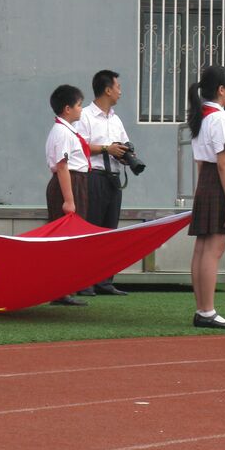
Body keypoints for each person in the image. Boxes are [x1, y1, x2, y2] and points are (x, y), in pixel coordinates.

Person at [186, 65, 225, 330]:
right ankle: (207, 311)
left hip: (206, 183)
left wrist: (203, 190)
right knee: (213, 250)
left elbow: (201, 162)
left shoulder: (202, 116)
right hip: (219, 183)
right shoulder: (220, 119)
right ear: (221, 90)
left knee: (202, 248)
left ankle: (202, 309)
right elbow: (224, 163)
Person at [76, 69, 130, 296]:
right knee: (91, 231)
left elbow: (125, 144)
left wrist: (126, 154)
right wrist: (108, 149)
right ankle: (85, 282)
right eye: (117, 87)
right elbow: (79, 146)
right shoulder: (85, 116)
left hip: (114, 179)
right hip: (94, 177)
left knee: (110, 231)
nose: (120, 91)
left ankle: (105, 281)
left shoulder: (115, 119)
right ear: (107, 90)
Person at [45, 84, 90, 308]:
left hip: (75, 182)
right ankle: (58, 291)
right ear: (67, 109)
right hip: (68, 183)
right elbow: (62, 166)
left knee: (70, 239)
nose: (82, 109)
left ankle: (63, 290)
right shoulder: (62, 132)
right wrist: (69, 200)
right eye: (79, 105)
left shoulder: (67, 130)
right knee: (62, 239)